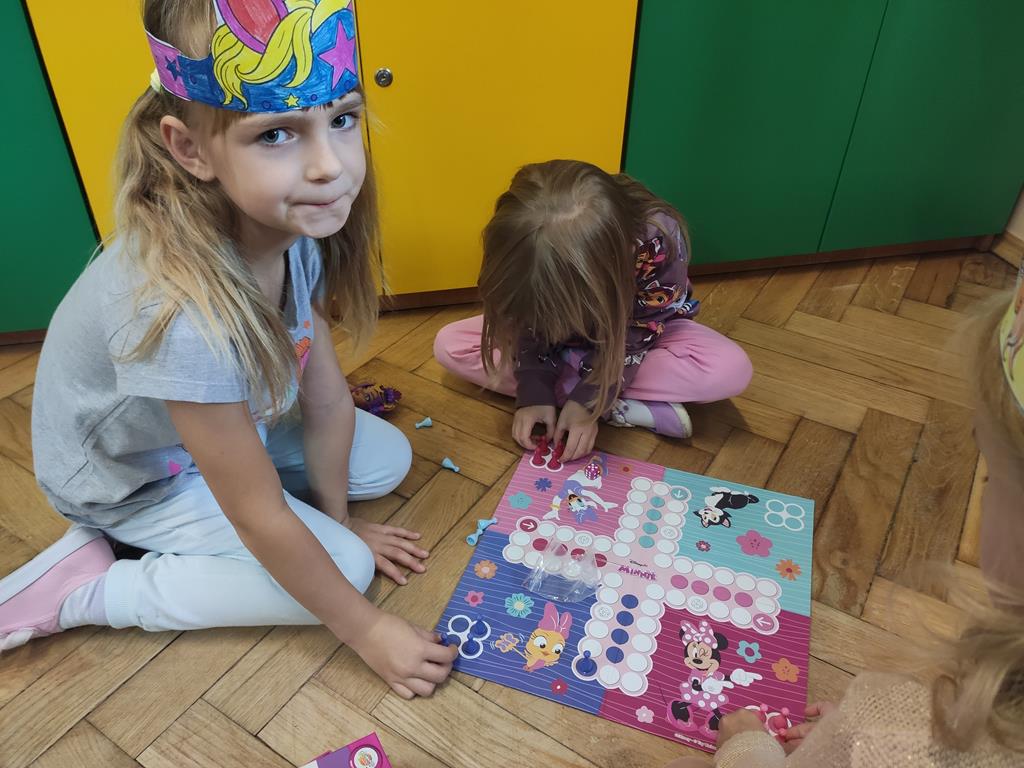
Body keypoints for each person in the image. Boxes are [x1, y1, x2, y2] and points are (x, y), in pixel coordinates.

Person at [0, 0, 456, 700]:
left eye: (342, 119)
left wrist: (337, 519)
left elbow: (326, 398)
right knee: (345, 571)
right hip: (133, 482)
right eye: (276, 134)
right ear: (191, 150)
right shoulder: (180, 314)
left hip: (225, 430)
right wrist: (367, 629)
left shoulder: (289, 226)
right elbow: (257, 513)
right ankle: (92, 587)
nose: (330, 166)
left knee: (382, 464)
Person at [665, 272, 1024, 767]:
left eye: (991, 477)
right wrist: (848, 737)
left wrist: (746, 749)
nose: (978, 496)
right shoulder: (906, 735)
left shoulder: (903, 746)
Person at [434, 159, 752, 461]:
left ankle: (585, 394)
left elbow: (642, 331)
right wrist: (533, 389)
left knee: (729, 370)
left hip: (636, 334)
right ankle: (619, 404)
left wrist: (590, 401)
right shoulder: (520, 241)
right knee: (450, 345)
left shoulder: (657, 238)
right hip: (556, 344)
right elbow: (521, 322)